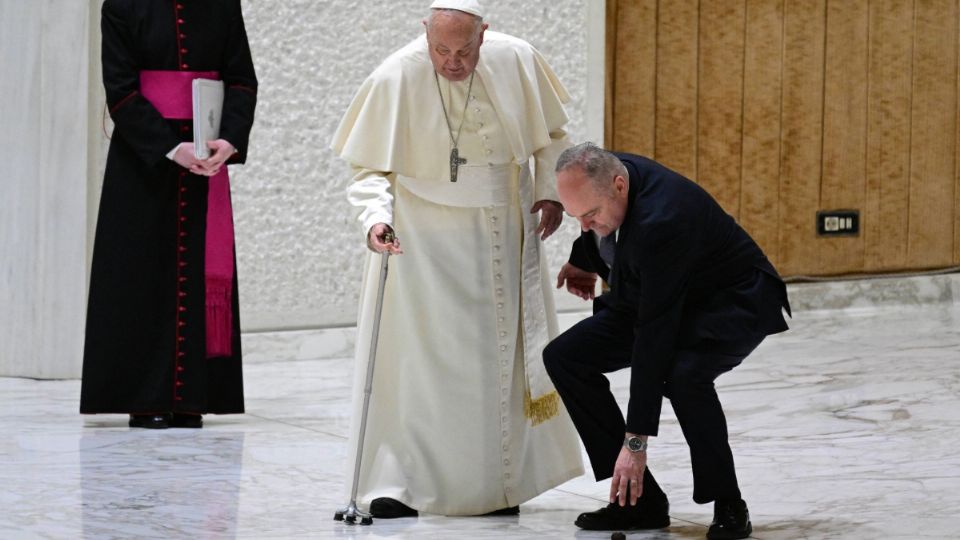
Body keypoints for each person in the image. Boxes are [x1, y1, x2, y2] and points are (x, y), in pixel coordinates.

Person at [330, 0, 583, 518]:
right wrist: (376, 220)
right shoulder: (395, 75)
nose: (451, 62)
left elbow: (551, 136)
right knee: (422, 363)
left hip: (504, 227)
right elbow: (368, 171)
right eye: (440, 50)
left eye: (463, 50)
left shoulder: (516, 59)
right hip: (424, 241)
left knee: (499, 363)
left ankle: (499, 486)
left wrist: (553, 192)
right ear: (425, 33)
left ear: (484, 35)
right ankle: (401, 482)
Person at [544, 143, 791, 539]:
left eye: (589, 216)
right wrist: (584, 259)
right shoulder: (605, 174)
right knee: (565, 357)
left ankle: (728, 502)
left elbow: (653, 335)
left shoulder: (663, 221)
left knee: (683, 375)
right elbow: (601, 224)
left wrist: (636, 444)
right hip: (663, 290)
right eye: (577, 217)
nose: (585, 225)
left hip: (730, 300)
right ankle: (638, 502)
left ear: (619, 186)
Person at [80, 0, 257, 429]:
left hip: (205, 155)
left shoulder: (222, 5)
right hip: (143, 160)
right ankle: (143, 397)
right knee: (139, 274)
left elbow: (242, 81)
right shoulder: (121, 5)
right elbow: (120, 90)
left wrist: (228, 140)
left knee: (198, 271)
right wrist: (169, 147)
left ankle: (193, 396)